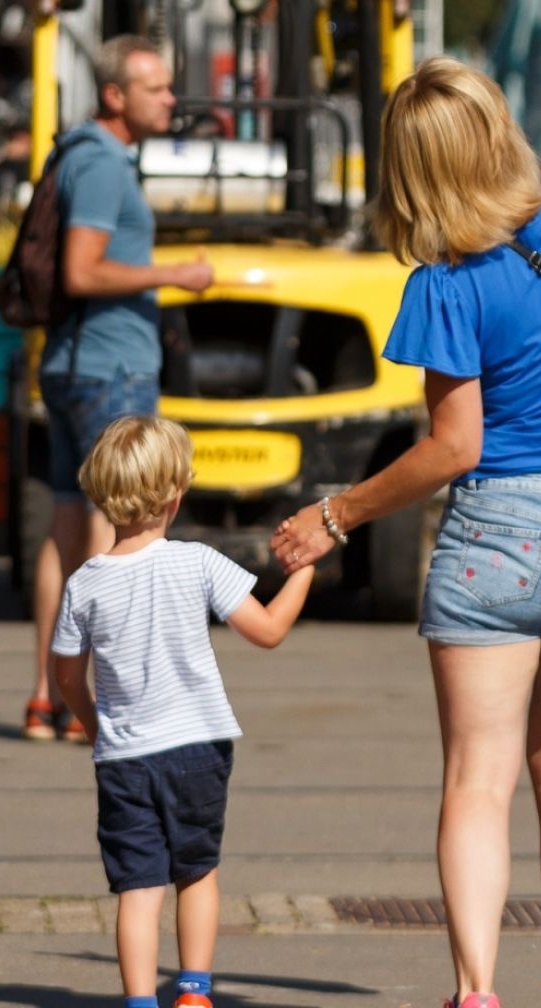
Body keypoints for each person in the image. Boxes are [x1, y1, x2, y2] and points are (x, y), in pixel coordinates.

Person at [271, 0, 541, 1008]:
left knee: (478, 782)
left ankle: (477, 991)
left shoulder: (446, 284)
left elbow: (454, 449)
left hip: (502, 539)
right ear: (497, 134)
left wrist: (335, 516)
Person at [52, 415, 315, 1008]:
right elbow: (268, 631)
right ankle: (193, 992)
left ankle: (141, 1001)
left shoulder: (83, 584)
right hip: (198, 749)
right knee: (196, 871)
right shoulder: (197, 562)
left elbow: (66, 677)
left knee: (138, 888)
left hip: (124, 758)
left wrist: (98, 727)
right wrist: (303, 575)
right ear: (177, 494)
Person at [24, 34, 215, 742]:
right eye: (156, 87)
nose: (171, 98)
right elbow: (83, 271)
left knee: (67, 528)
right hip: (112, 368)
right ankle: (98, 708)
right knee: (123, 533)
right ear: (116, 95)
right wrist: (176, 276)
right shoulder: (103, 165)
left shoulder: (74, 152)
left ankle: (47, 698)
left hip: (73, 364)